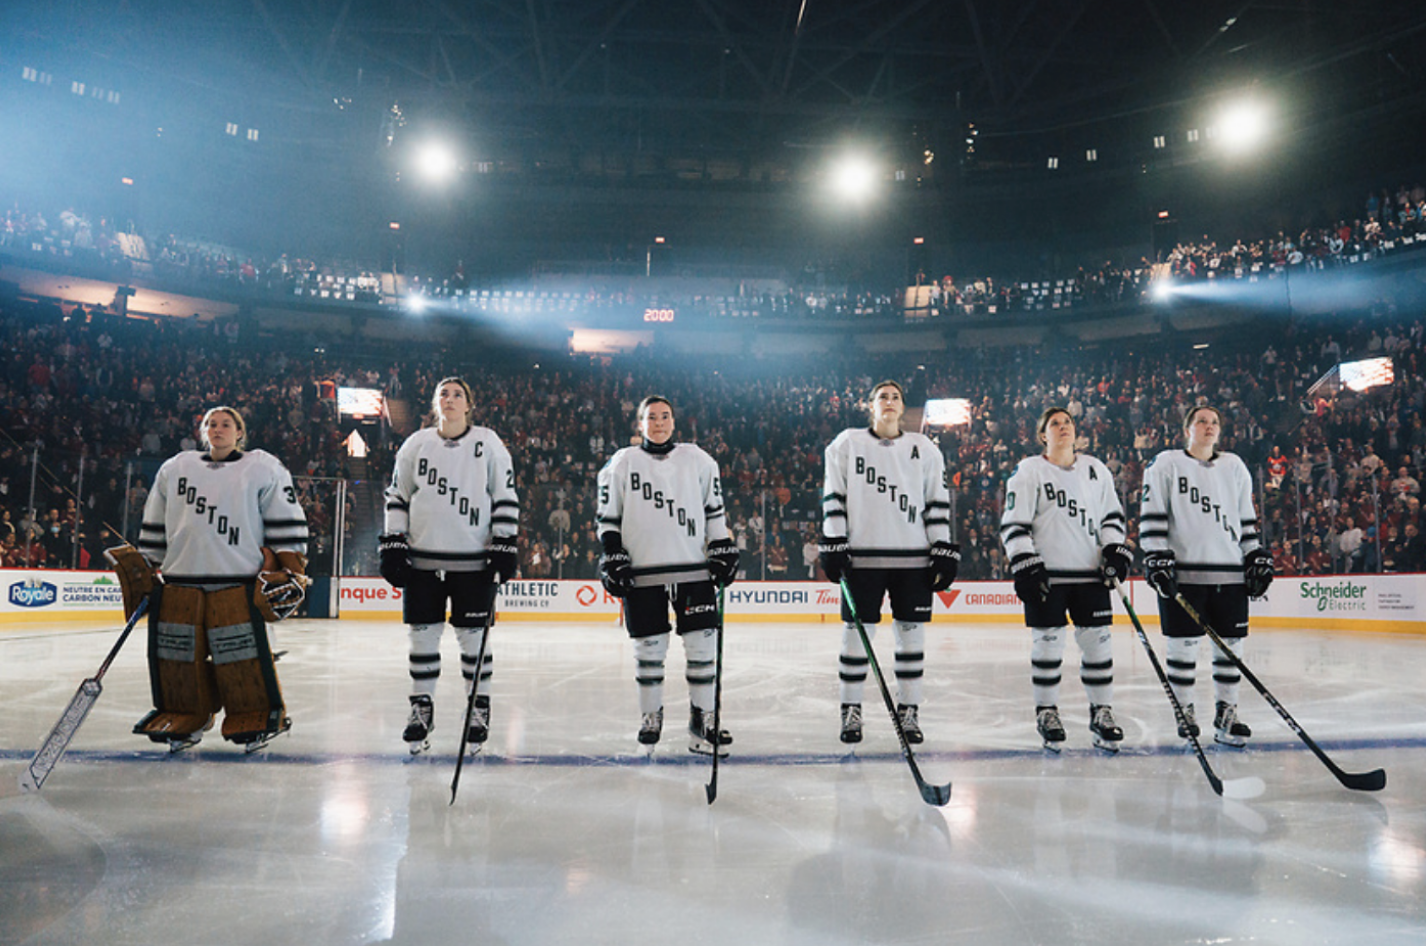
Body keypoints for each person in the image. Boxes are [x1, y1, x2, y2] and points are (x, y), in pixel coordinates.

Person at [128, 406, 310, 752]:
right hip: (181, 579)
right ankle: (185, 714)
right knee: (177, 658)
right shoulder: (176, 467)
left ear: (240, 432)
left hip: (237, 581)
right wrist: (148, 561)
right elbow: (155, 517)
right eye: (211, 424)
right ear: (203, 431)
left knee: (240, 660)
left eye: (226, 424)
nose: (218, 428)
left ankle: (254, 714)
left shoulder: (261, 466)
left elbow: (285, 516)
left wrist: (290, 564)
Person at [379, 377, 519, 755]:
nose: (451, 399)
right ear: (435, 402)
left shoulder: (487, 442)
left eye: (458, 394)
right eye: (444, 393)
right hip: (423, 560)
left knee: (473, 638)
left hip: (473, 561)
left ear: (469, 404)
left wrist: (505, 542)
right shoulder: (416, 443)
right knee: (422, 636)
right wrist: (393, 542)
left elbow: (504, 493)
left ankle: (479, 706)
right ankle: (420, 708)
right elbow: (397, 495)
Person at [595, 395, 739, 754]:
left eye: (665, 416)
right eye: (651, 418)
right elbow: (608, 519)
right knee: (649, 648)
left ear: (674, 421)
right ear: (639, 424)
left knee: (702, 646)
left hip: (693, 570)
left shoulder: (698, 459)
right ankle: (650, 715)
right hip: (642, 572)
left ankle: (704, 718)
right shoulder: (621, 463)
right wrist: (612, 554)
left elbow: (715, 515)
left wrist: (722, 548)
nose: (659, 423)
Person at [819, 379, 959, 746]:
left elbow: (936, 501)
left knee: (911, 637)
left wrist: (941, 546)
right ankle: (851, 710)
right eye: (883, 396)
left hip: (913, 559)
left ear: (902, 406)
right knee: (856, 636)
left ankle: (909, 711)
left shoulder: (923, 447)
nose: (890, 401)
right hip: (862, 558)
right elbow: (833, 493)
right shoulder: (847, 443)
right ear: (871, 405)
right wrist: (834, 540)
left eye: (896, 397)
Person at [1140, 404, 1273, 747]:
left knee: (1230, 647)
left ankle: (1227, 713)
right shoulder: (1166, 463)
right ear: (1188, 428)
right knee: (1182, 647)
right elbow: (1153, 515)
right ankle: (1185, 712)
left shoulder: (1235, 466)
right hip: (1184, 575)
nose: (1209, 426)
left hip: (1230, 576)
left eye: (1214, 422)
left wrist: (1254, 555)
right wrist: (1155, 556)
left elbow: (1246, 522)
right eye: (1201, 420)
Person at [999, 407, 1131, 751]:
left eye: (1068, 422)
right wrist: (1025, 562)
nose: (1063, 427)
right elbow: (1014, 523)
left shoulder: (1095, 470)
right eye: (1054, 424)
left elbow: (1112, 517)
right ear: (1043, 434)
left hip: (1090, 575)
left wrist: (1114, 550)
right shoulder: (1028, 471)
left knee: (1098, 645)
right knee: (1048, 645)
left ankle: (1102, 711)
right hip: (1048, 575)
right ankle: (1046, 712)